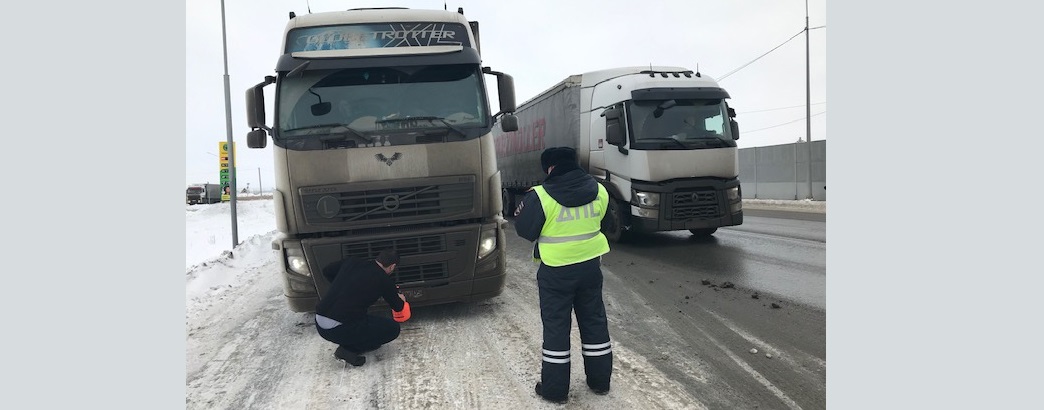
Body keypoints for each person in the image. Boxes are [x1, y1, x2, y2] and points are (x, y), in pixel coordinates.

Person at [512, 147, 613, 404]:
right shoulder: (599, 190)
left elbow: (524, 229)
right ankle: (600, 382)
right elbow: (604, 222)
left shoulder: (541, 195)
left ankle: (555, 391)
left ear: (550, 167)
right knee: (594, 322)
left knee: (557, 328)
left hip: (556, 271)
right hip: (590, 267)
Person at [314, 249, 407, 366]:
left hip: (319, 321)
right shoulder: (384, 279)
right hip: (337, 329)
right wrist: (401, 299)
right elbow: (398, 307)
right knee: (392, 329)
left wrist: (342, 287)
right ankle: (348, 350)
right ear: (392, 266)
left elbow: (327, 271)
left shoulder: (353, 261)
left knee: (365, 318)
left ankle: (352, 340)